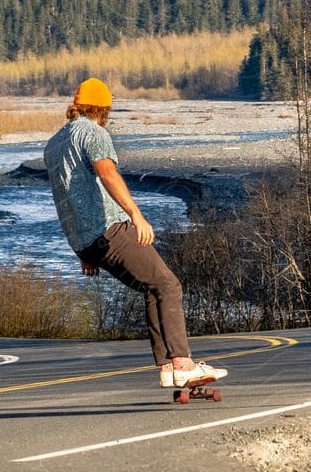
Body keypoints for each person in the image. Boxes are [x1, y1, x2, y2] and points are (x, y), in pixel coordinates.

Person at [43, 77, 227, 389]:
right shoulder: (94, 132)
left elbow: (63, 198)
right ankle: (183, 363)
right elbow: (107, 173)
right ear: (102, 108)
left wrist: (82, 252)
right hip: (112, 230)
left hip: (88, 241)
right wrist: (136, 215)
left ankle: (168, 367)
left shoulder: (54, 143)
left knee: (153, 287)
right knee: (168, 285)